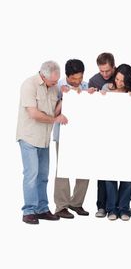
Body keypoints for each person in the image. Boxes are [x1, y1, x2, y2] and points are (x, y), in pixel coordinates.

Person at [16, 61, 68, 224]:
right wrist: (55, 119)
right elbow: (34, 113)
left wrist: (64, 98)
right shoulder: (29, 85)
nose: (55, 84)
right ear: (43, 76)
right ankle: (29, 211)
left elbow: (55, 110)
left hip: (44, 140)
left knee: (43, 176)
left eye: (57, 81)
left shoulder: (53, 87)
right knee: (31, 175)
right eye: (53, 81)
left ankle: (42, 209)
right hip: (29, 137)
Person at [53, 59, 89, 219]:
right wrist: (63, 97)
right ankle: (61, 206)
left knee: (84, 169)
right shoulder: (56, 86)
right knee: (63, 170)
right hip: (64, 134)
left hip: (85, 135)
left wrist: (94, 95)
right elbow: (52, 114)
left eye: (80, 78)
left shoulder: (87, 86)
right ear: (67, 76)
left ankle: (77, 203)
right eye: (74, 79)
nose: (77, 81)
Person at [102, 64, 131, 221]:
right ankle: (111, 209)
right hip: (109, 139)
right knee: (109, 175)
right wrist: (99, 95)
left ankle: (124, 208)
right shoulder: (107, 88)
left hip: (129, 140)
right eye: (117, 79)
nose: (118, 83)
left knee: (127, 175)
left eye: (123, 81)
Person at [88, 52, 116, 218]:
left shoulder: (120, 76)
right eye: (102, 71)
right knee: (102, 171)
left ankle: (118, 207)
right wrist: (89, 94)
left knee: (121, 171)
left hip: (121, 131)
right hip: (101, 132)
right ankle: (102, 206)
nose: (104, 74)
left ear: (113, 66)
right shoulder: (94, 80)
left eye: (107, 71)